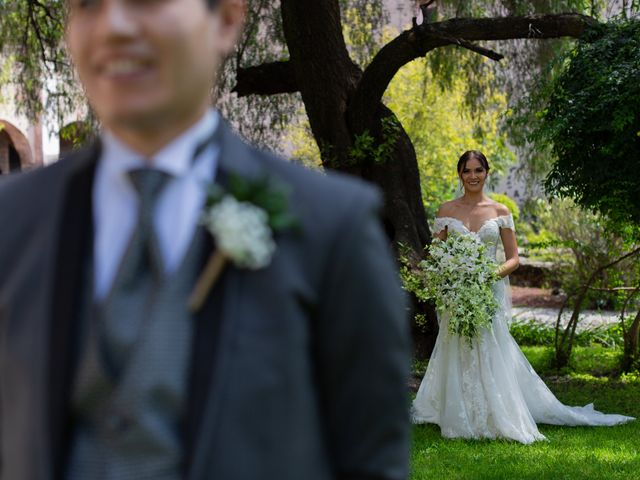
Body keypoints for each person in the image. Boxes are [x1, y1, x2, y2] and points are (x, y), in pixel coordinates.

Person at [0, 0, 411, 478]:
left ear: (227, 19)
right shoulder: (14, 221)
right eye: (88, 4)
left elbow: (370, 460)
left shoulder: (332, 228)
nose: (113, 26)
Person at [411, 150, 634, 444]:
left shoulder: (501, 212)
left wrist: (489, 274)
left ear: (487, 173)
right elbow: (435, 253)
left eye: (478, 170)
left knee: (490, 344)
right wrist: (451, 273)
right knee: (457, 343)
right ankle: (457, 407)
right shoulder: (446, 211)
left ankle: (495, 408)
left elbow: (514, 258)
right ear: (460, 175)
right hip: (458, 289)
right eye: (467, 171)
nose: (473, 176)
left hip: (486, 288)